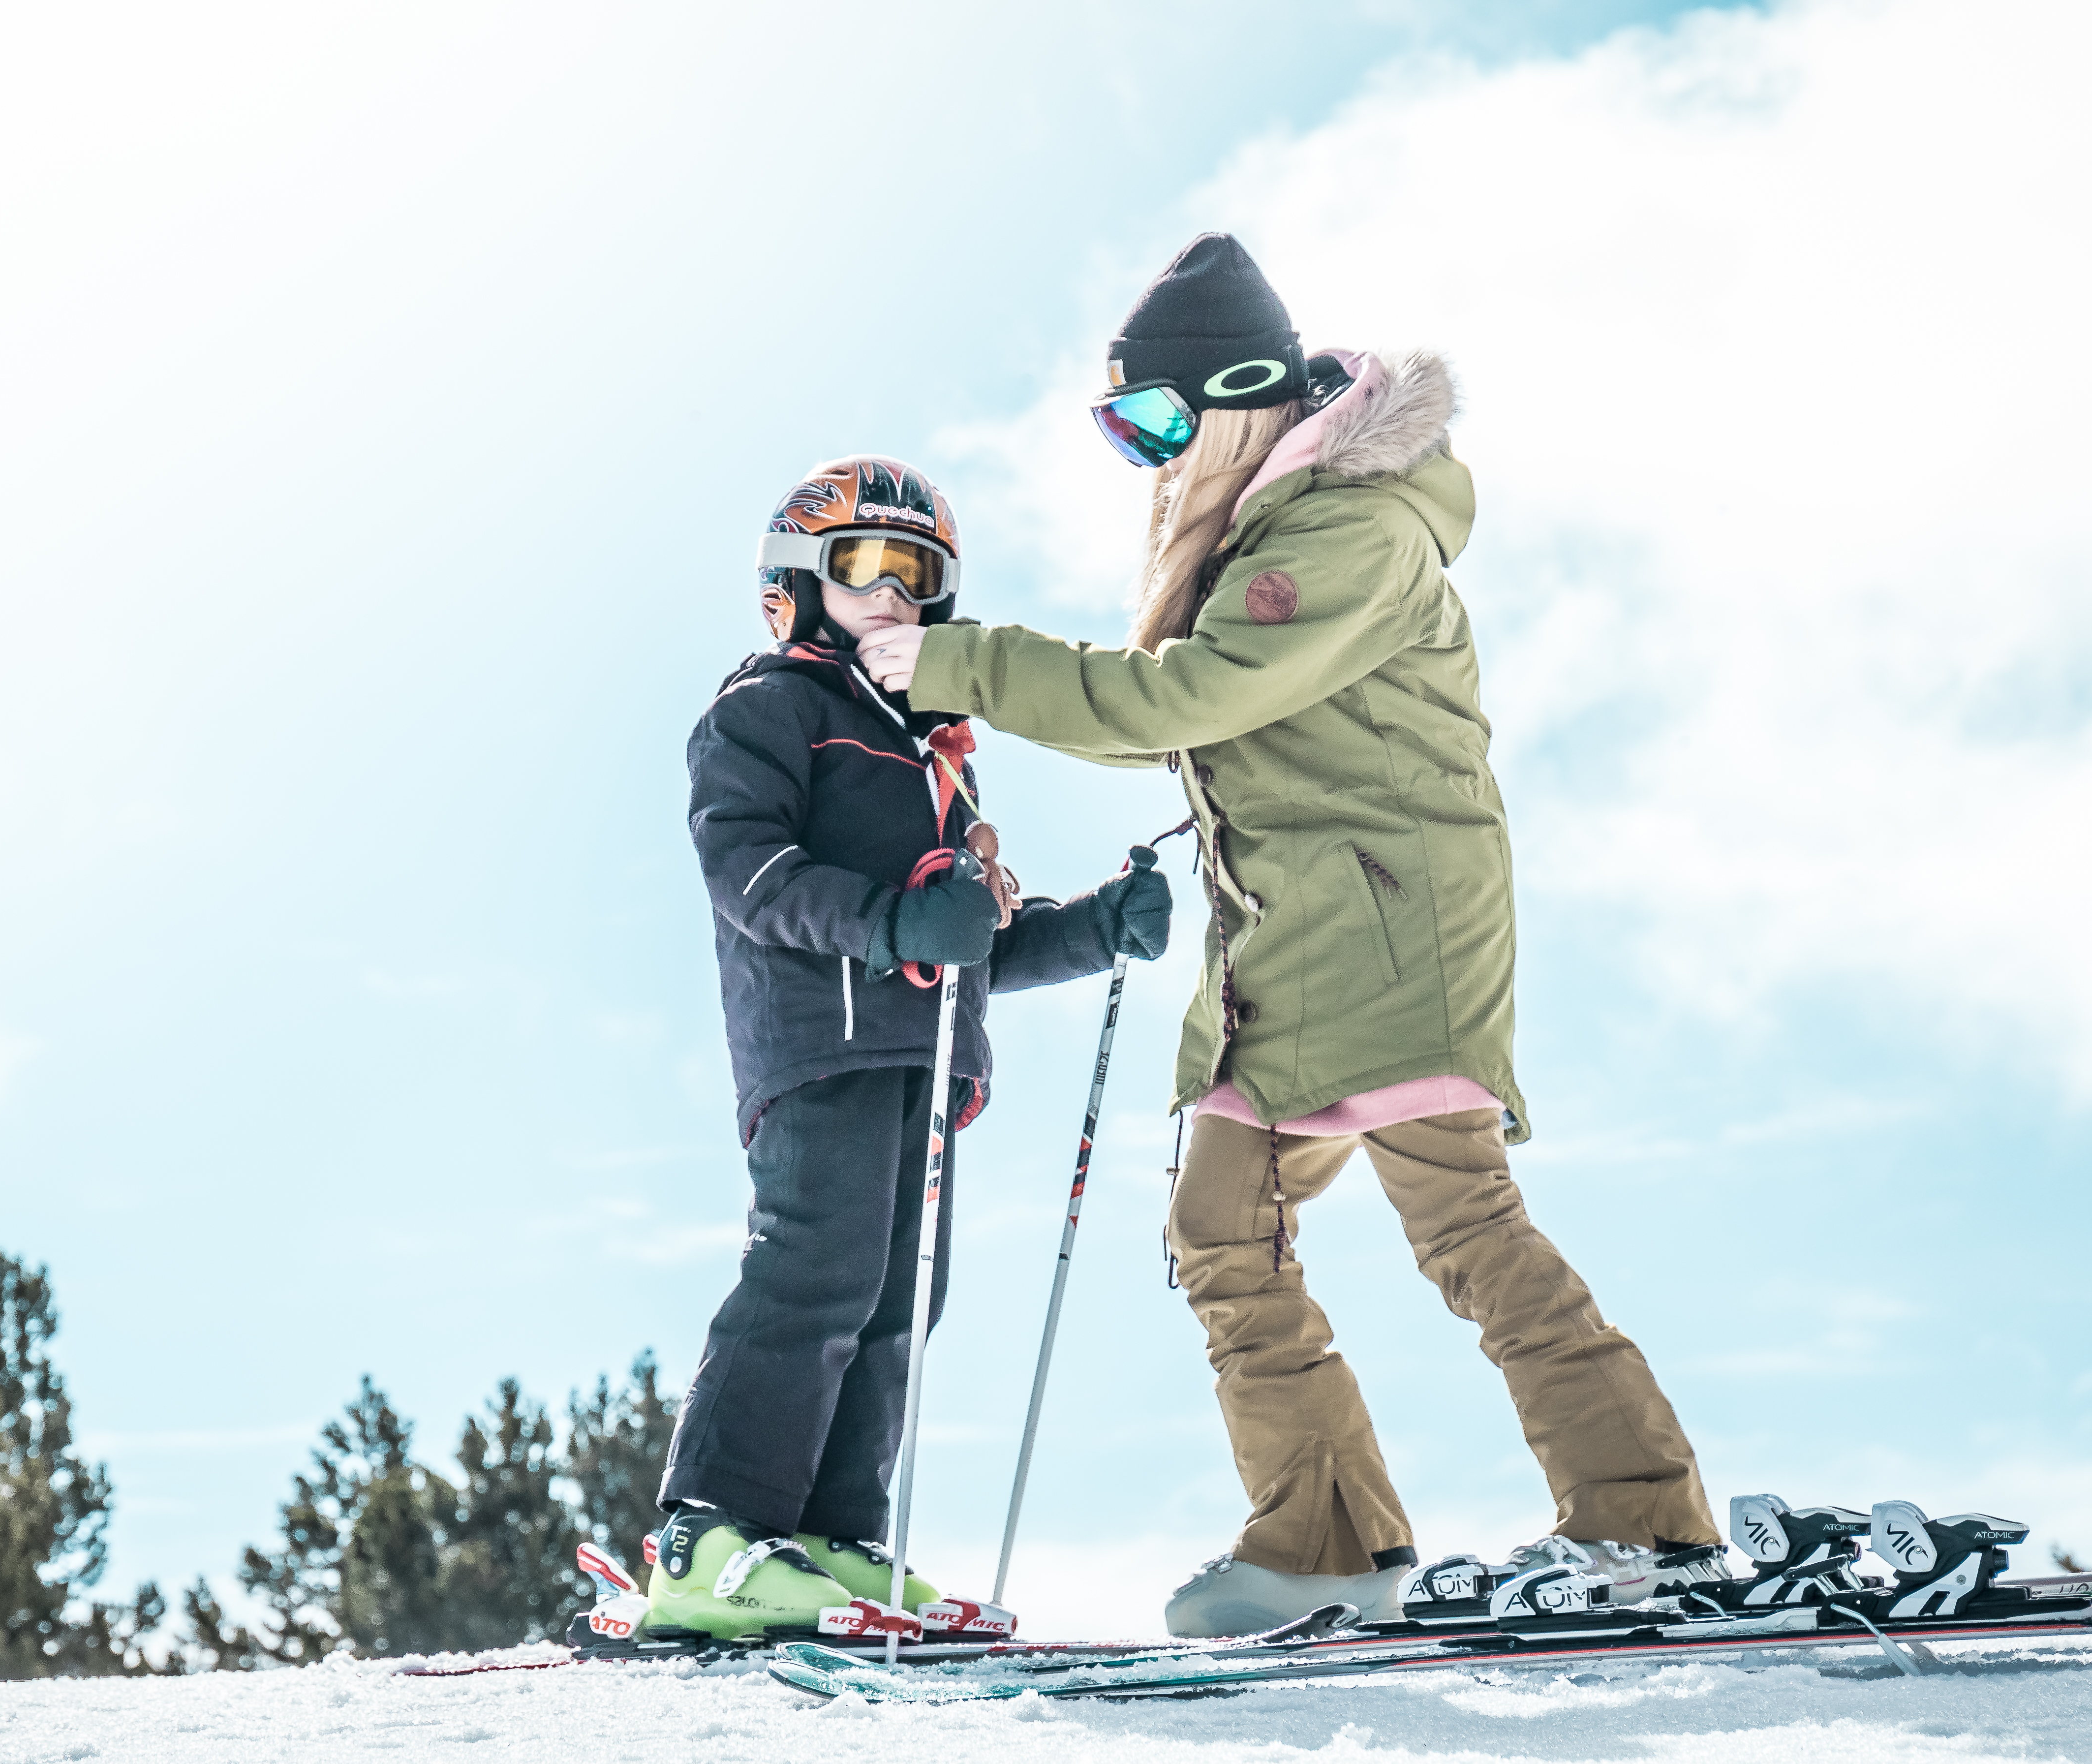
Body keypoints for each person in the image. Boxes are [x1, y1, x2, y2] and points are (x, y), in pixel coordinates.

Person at [856, 237, 1726, 1636]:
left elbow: (1174, 701)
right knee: (1218, 1231)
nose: (1143, 455)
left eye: (1153, 419)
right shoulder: (1274, 529)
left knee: (1465, 1230)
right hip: (1281, 958)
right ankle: (1322, 1536)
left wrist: (961, 664)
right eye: (1118, 426)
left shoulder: (1343, 534)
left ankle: (1648, 1526)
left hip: (1391, 942)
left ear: (1242, 393)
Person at [649, 454, 1173, 1640]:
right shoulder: (768, 709)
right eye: (860, 569)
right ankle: (711, 1534)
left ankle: (833, 1540)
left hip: (923, 1060)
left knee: (899, 1297)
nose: (890, 593)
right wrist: (891, 924)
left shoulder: (940, 756)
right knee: (815, 1270)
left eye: (914, 573)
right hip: (820, 1042)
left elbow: (972, 934)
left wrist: (1094, 927)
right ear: (798, 584)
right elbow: (750, 873)